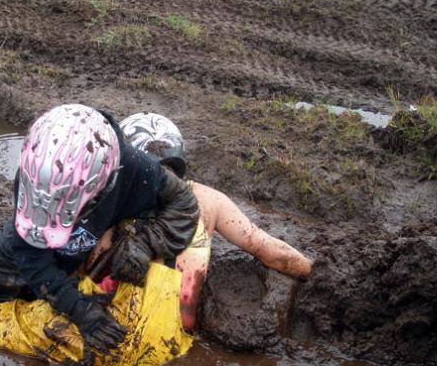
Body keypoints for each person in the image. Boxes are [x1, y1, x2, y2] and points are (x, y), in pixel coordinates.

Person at [0, 104, 200, 355]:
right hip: (21, 250)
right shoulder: (37, 169)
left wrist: (145, 244)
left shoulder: (137, 169)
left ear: (105, 183)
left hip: (80, 251)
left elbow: (184, 205)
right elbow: (30, 255)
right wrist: (78, 308)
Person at [117, 112, 312, 331]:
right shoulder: (209, 200)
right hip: (175, 335)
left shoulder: (112, 203)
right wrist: (313, 273)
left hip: (116, 329)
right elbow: (269, 250)